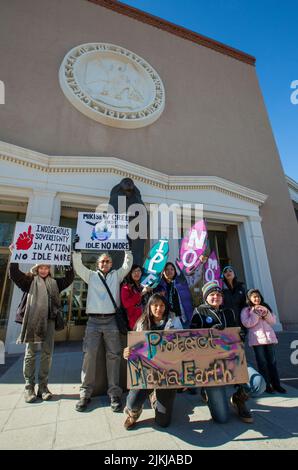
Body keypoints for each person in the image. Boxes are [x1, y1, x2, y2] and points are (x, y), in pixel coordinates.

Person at [73, 235, 133, 412]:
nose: (105, 264)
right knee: (89, 355)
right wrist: (76, 251)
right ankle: (85, 393)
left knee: (113, 357)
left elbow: (127, 266)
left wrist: (127, 250)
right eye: (102, 261)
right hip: (93, 321)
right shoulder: (90, 276)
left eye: (107, 261)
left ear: (111, 264)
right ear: (98, 264)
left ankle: (114, 393)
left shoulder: (116, 275)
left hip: (111, 321)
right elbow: (78, 267)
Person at [8, 244, 74, 403]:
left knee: (47, 353)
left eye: (46, 267)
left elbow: (69, 279)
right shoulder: (28, 280)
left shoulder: (54, 283)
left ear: (49, 269)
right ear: (37, 268)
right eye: (41, 267)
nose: (44, 270)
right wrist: (15, 254)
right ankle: (29, 387)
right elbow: (14, 274)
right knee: (30, 353)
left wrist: (69, 259)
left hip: (49, 321)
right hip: (33, 321)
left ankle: (43, 387)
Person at [190, 280, 254, 424]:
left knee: (257, 383)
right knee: (222, 418)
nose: (216, 296)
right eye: (212, 294)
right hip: (211, 366)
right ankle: (206, 390)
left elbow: (236, 334)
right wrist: (210, 332)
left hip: (233, 360)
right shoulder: (199, 312)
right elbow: (192, 339)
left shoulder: (229, 312)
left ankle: (239, 399)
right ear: (205, 297)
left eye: (219, 294)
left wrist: (240, 336)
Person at [123, 293, 183, 430]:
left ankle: (155, 396)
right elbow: (134, 348)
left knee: (163, 422)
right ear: (149, 307)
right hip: (146, 372)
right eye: (155, 305)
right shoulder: (142, 323)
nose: (158, 308)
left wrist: (183, 377)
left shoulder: (174, 321)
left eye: (162, 305)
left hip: (168, 374)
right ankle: (134, 413)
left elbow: (183, 347)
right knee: (132, 403)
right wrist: (127, 353)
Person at [241, 289, 286, 394]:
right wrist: (255, 314)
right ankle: (267, 385)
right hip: (257, 340)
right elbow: (247, 323)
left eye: (258, 296)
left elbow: (273, 321)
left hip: (269, 339)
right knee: (262, 363)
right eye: (254, 297)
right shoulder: (246, 310)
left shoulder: (265, 307)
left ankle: (277, 385)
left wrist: (266, 313)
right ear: (249, 299)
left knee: (272, 362)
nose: (257, 298)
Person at [155, 262, 193, 327]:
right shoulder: (159, 286)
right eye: (167, 269)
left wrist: (200, 261)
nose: (169, 271)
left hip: (185, 317)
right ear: (163, 272)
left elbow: (191, 271)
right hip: (167, 320)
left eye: (172, 269)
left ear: (175, 271)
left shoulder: (181, 281)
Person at [120, 264, 152, 330]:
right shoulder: (126, 287)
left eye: (139, 271)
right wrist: (141, 294)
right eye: (134, 271)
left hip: (148, 317)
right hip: (135, 320)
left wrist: (151, 291)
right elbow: (126, 304)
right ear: (130, 273)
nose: (137, 273)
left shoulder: (145, 284)